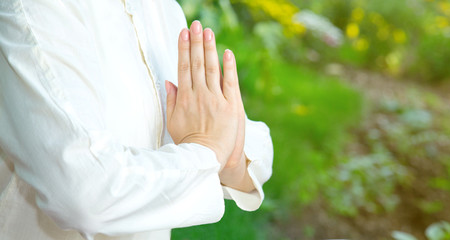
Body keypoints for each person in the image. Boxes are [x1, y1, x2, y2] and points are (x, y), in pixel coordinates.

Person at [0, 0, 273, 239]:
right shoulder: (38, 8)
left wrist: (230, 161)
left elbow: (254, 150)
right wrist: (208, 152)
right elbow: (85, 191)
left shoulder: (162, 10)